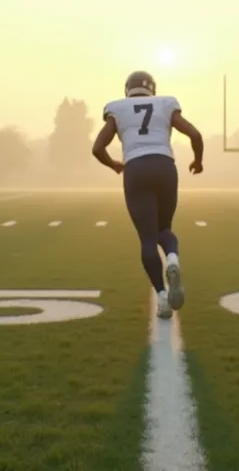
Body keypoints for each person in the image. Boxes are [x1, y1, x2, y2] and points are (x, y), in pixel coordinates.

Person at [92, 70, 205, 319]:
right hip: (165, 166)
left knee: (147, 238)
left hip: (136, 168)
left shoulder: (117, 108)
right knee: (165, 229)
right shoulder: (166, 103)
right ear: (153, 88)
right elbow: (195, 135)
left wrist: (114, 165)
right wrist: (198, 161)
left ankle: (163, 298)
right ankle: (172, 258)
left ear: (127, 89)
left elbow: (97, 148)